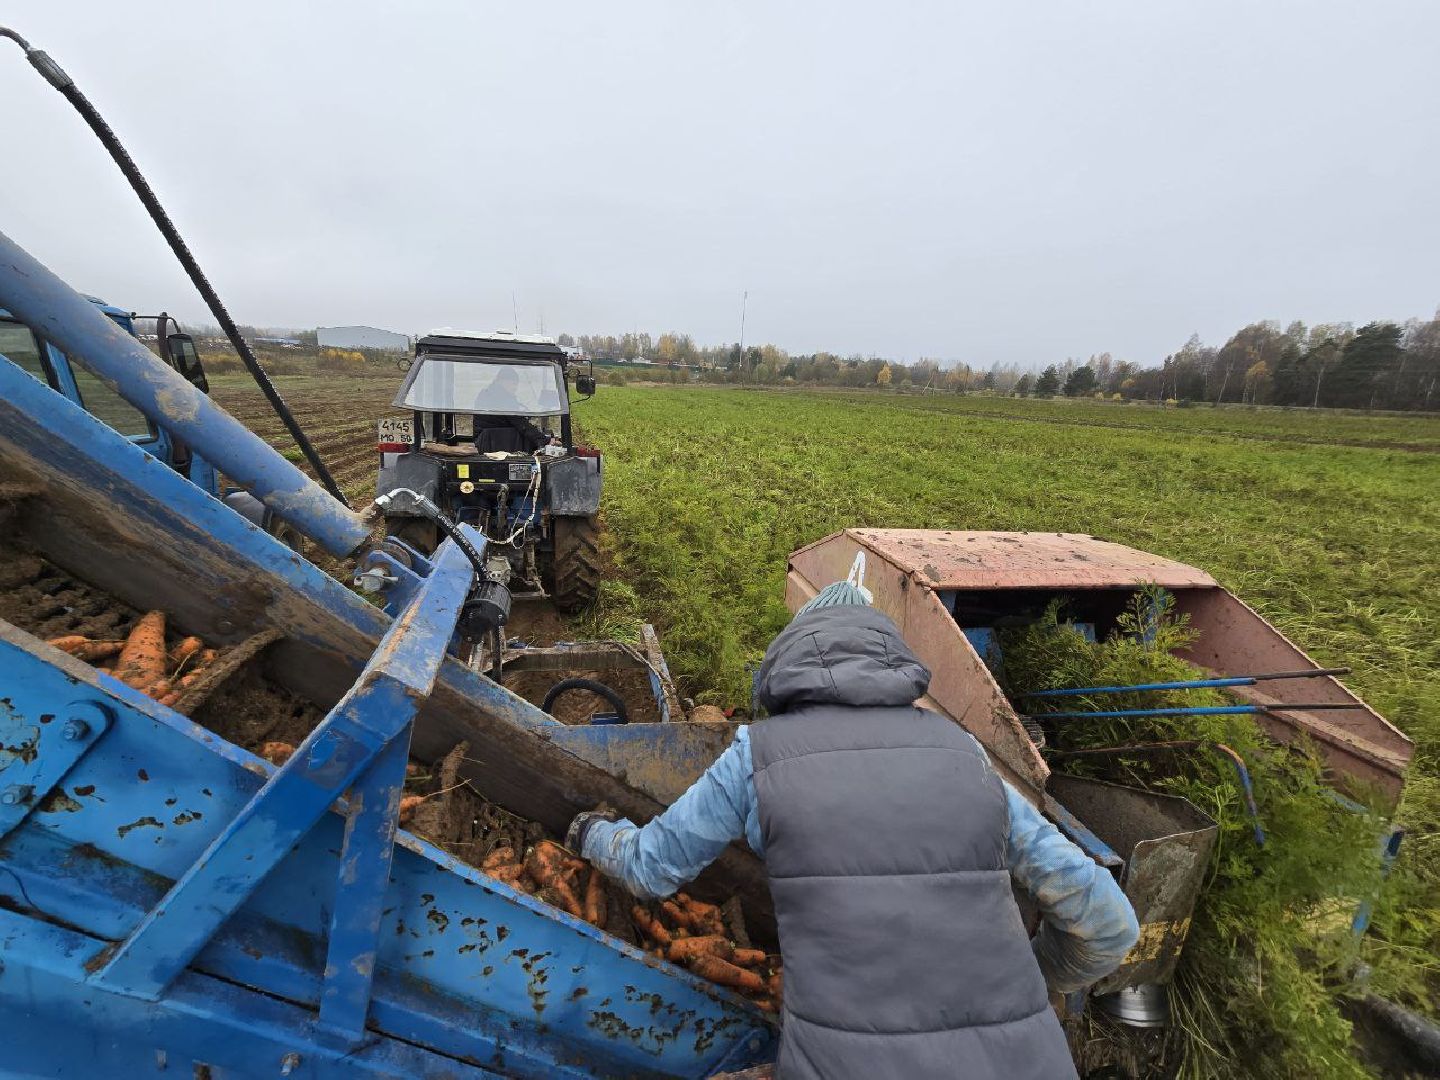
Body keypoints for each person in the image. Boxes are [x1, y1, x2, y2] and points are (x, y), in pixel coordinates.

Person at [568, 580, 1140, 1080]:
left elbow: (649, 869)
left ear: (786, 661)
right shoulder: (963, 755)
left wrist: (591, 830)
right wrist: (1034, 981)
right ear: (891, 659)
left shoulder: (756, 758)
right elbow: (1110, 924)